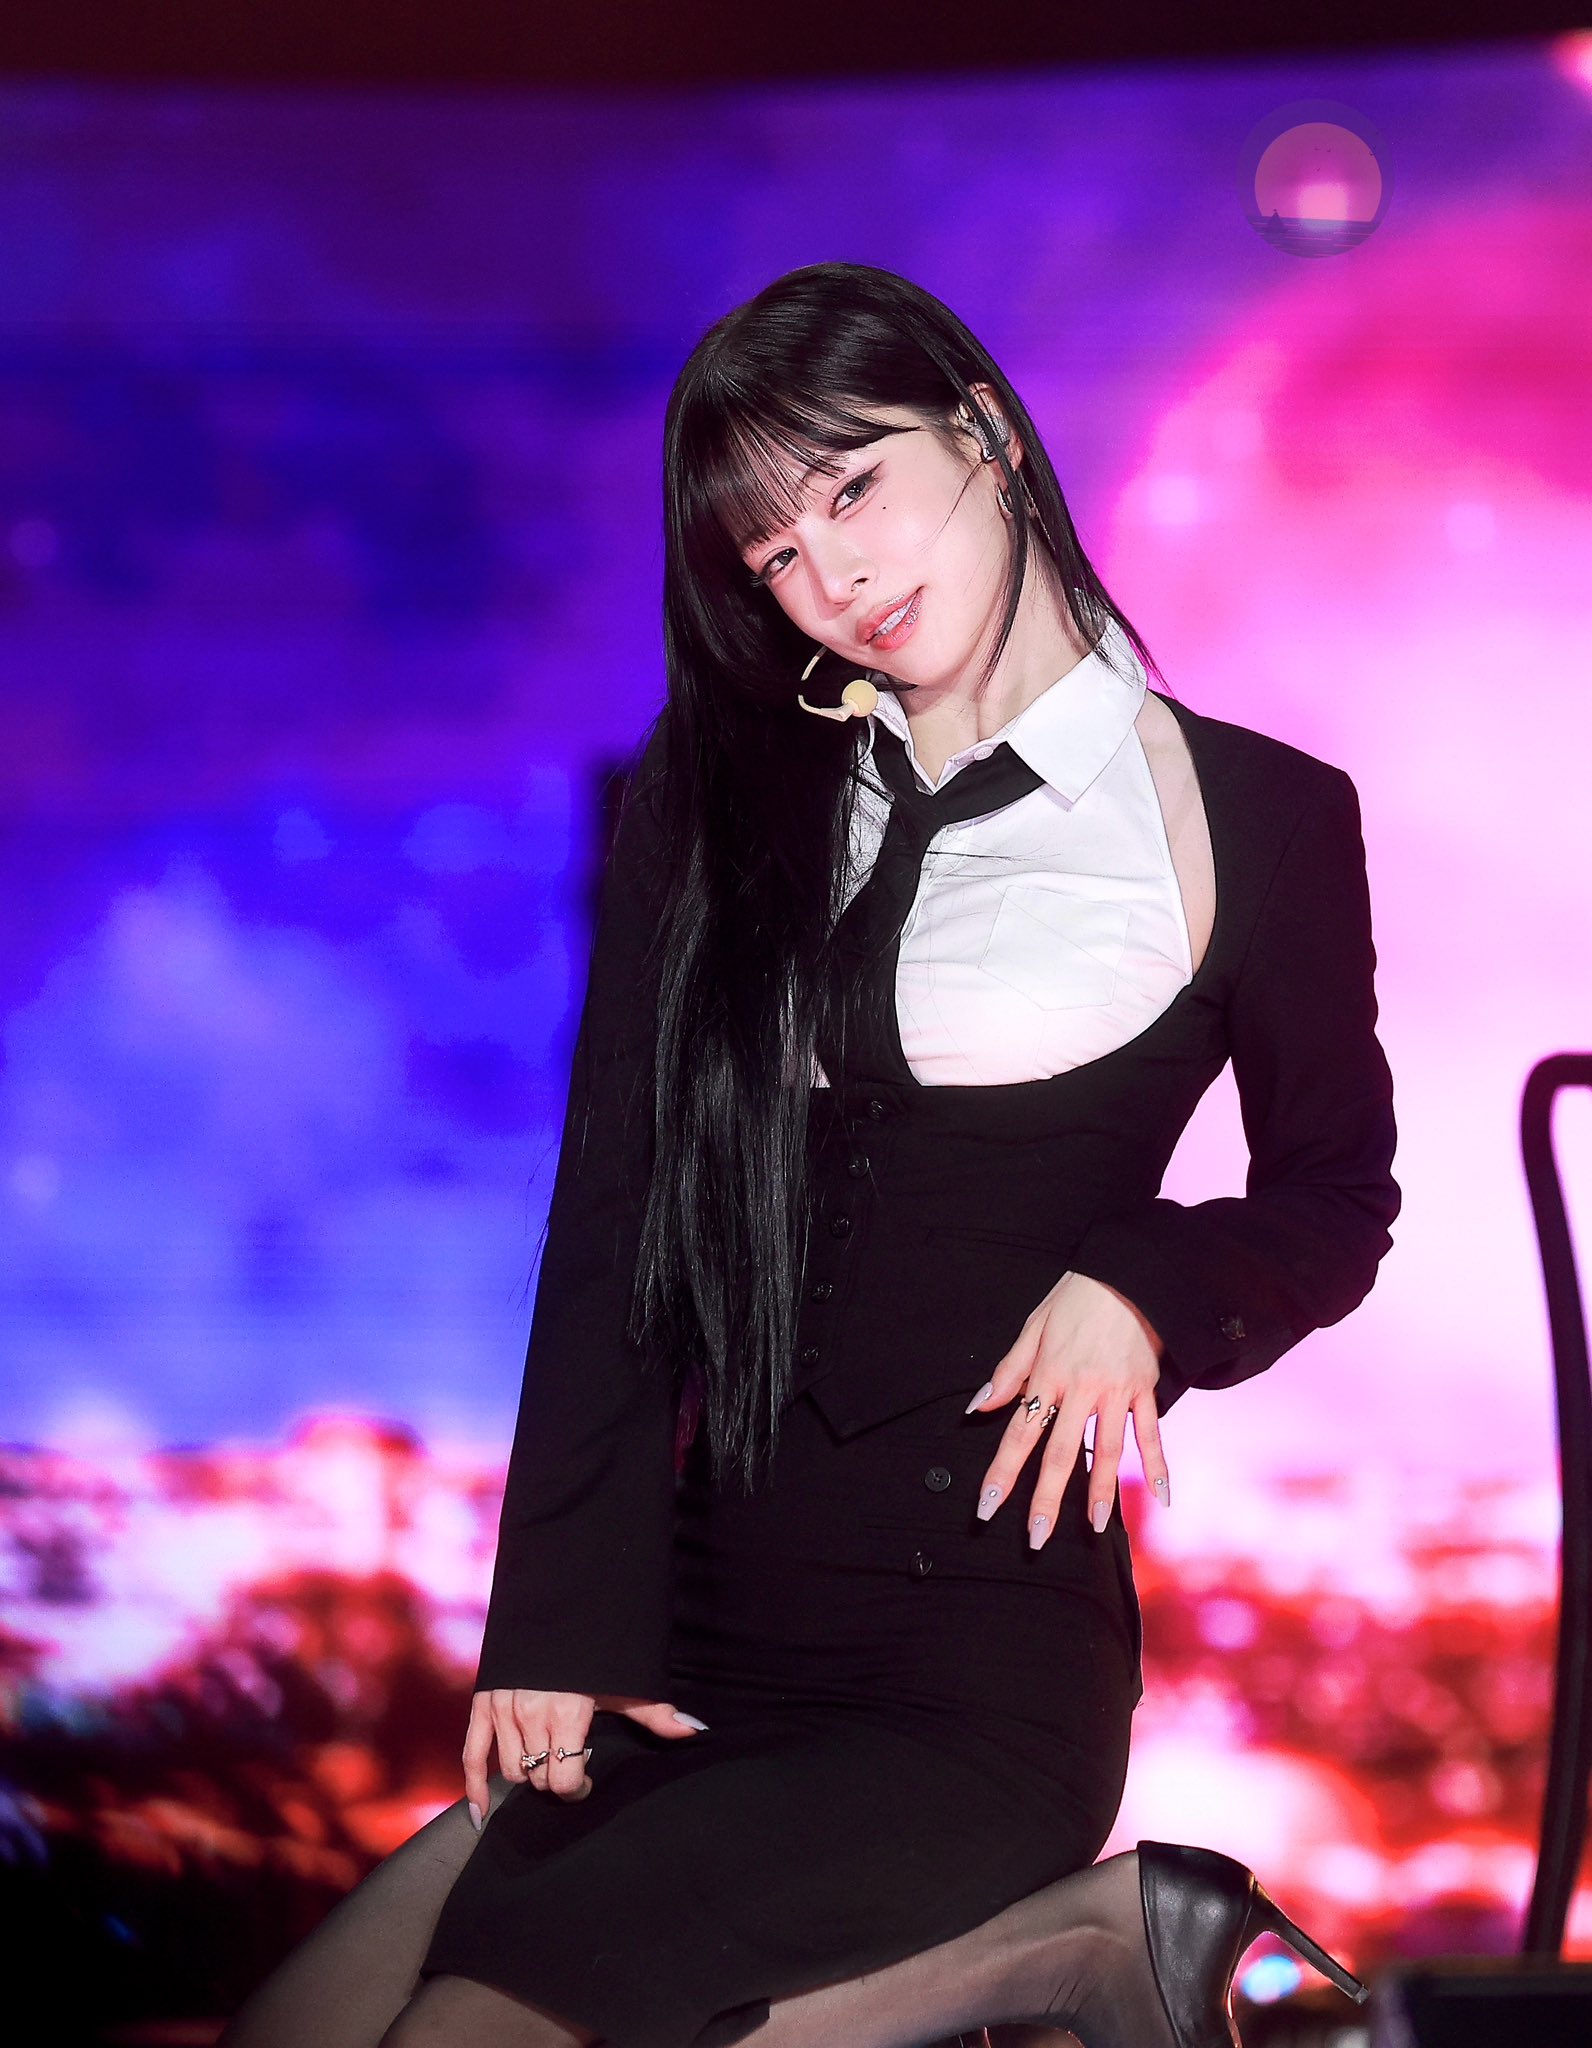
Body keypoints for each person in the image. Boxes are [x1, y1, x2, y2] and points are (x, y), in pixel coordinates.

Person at [218, 262, 1400, 2048]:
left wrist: (1153, 1286)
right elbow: (615, 1220)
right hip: (699, 1648)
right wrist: (561, 1624)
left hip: (974, 1666)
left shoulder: (1262, 818)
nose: (832, 575)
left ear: (987, 434)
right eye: (774, 551)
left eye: (854, 487)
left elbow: (1336, 1193)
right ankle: (1096, 1947)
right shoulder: (718, 795)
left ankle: (1075, 1946)